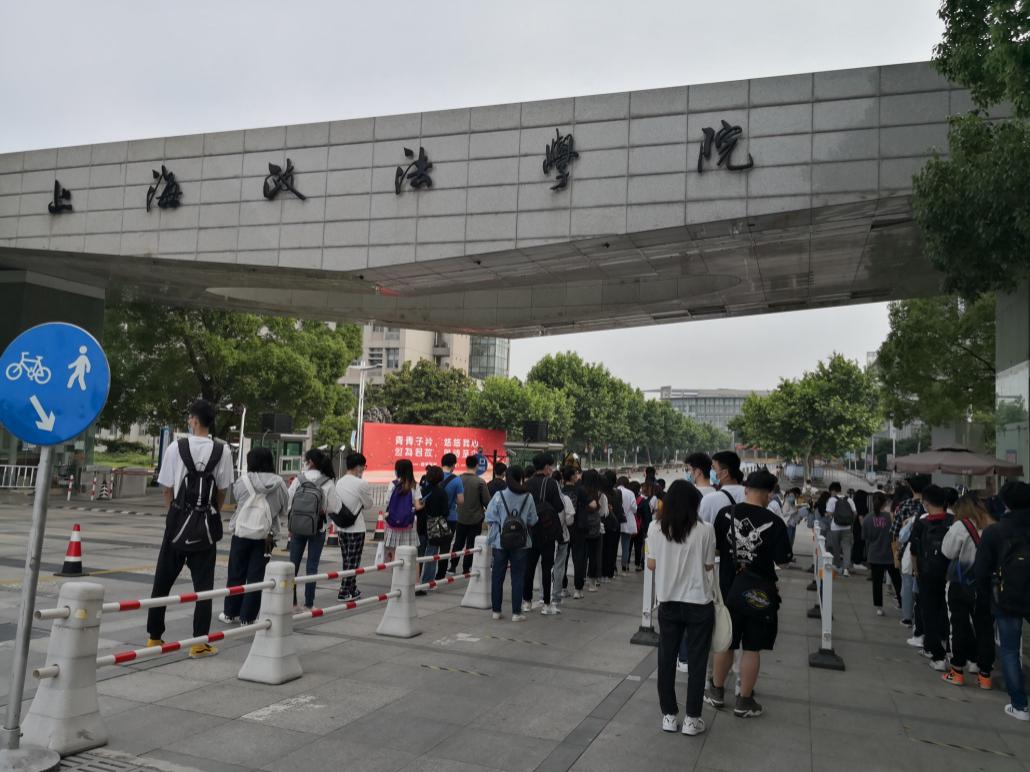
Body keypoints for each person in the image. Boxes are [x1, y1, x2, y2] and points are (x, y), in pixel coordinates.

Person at [146, 399, 235, 657]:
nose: (188, 421)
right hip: (205, 527)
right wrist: (210, 513)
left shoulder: (176, 447)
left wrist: (174, 514)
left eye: (189, 418)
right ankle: (199, 643)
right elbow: (222, 490)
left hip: (177, 524)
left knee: (162, 582)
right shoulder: (223, 451)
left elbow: (166, 488)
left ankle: (154, 637)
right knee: (204, 587)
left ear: (194, 421)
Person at [706, 469, 792, 718]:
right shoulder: (775, 522)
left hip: (729, 590)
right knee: (752, 647)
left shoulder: (725, 514)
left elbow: (717, 550)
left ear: (746, 490)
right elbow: (783, 561)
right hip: (759, 594)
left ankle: (716, 692)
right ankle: (744, 701)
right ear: (769, 493)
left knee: (726, 642)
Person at [648, 480, 716, 736]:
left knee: (666, 658)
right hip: (699, 602)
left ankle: (668, 715)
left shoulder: (655, 527)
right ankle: (692, 719)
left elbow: (652, 564)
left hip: (668, 601)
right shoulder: (705, 529)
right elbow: (709, 566)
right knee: (697, 661)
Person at [974, 481, 1030, 721]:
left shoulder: (995, 531)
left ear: (1005, 503)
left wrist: (985, 597)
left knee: (1009, 650)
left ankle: (1020, 705)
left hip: (1006, 596)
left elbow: (981, 570)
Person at [221, 447, 288, 625]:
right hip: (267, 536)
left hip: (241, 532)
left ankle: (230, 613)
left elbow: (238, 499)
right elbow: (284, 509)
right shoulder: (280, 484)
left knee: (236, 573)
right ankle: (248, 617)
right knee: (257, 576)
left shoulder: (243, 481)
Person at [941, 492, 994, 689]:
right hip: (985, 586)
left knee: (959, 626)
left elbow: (948, 552)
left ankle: (957, 671)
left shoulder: (960, 526)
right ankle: (985, 675)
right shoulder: (992, 525)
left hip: (961, 584)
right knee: (985, 629)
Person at [287, 449, 342, 611]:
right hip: (318, 528)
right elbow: (335, 507)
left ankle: (292, 602)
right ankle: (309, 604)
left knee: (293, 566)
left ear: (310, 462)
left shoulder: (299, 480)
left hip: (297, 527)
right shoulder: (328, 482)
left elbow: (289, 502)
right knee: (312, 566)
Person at [909, 484, 954, 671]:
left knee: (929, 614)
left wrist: (915, 571)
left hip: (927, 575)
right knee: (949, 613)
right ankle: (955, 651)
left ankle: (937, 655)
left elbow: (913, 550)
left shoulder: (921, 522)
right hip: (950, 575)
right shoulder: (953, 521)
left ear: (926, 502)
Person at [485, 466, 538, 621]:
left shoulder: (498, 496)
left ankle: (496, 611)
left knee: (497, 576)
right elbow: (533, 520)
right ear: (521, 477)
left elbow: (489, 517)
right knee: (518, 577)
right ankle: (516, 613)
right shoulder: (528, 497)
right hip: (521, 543)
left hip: (500, 542)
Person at [524, 453, 565, 613]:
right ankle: (546, 604)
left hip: (530, 530)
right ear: (547, 467)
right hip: (547, 531)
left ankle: (527, 602)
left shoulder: (527, 484)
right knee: (547, 567)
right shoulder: (551, 483)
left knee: (529, 566)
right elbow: (559, 507)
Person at [335, 452, 372, 601]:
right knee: (353, 561)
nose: (363, 469)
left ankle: (352, 588)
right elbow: (369, 505)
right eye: (363, 466)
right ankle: (344, 591)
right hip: (356, 528)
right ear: (358, 467)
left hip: (341, 527)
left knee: (347, 560)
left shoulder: (339, 482)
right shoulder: (361, 483)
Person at [862, 491, 901, 616]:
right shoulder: (890, 517)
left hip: (874, 555)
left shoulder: (867, 518)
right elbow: (896, 534)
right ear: (885, 503)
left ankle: (879, 607)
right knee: (897, 580)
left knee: (877, 582)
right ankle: (903, 603)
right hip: (889, 554)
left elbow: (865, 537)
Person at [451, 455, 491, 575]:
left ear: (466, 464)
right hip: (476, 518)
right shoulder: (480, 482)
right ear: (477, 466)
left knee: (458, 542)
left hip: (460, 517)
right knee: (471, 544)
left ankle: (452, 566)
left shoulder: (458, 479)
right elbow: (487, 501)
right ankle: (466, 568)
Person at [419, 465, 452, 594]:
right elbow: (445, 511)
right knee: (432, 554)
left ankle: (416, 580)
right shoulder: (441, 492)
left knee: (420, 553)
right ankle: (427, 582)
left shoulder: (422, 490)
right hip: (435, 525)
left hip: (421, 524)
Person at [383, 459, 422, 563]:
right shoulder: (415, 485)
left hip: (393, 522)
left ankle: (395, 572)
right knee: (410, 554)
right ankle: (409, 572)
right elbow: (418, 506)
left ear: (397, 471)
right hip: (409, 523)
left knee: (394, 552)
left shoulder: (393, 484)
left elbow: (387, 502)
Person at [435, 453, 466, 580]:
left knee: (432, 546)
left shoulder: (434, 475)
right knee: (445, 546)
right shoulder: (457, 480)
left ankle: (426, 574)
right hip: (450, 517)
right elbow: (461, 500)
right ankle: (440, 575)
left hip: (434, 516)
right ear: (453, 465)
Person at [571, 469, 601, 598]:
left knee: (581, 556)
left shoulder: (579, 490)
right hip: (594, 527)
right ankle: (592, 582)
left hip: (581, 526)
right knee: (593, 555)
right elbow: (600, 509)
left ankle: (580, 582)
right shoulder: (598, 493)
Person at [555, 465, 581, 603]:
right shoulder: (579, 491)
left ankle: (562, 588)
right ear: (571, 477)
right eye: (575, 474)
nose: (577, 476)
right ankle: (577, 589)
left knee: (561, 561)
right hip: (574, 529)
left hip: (560, 531)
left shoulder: (560, 492)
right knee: (577, 558)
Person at [699, 451, 745, 524]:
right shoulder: (750, 495)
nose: (711, 471)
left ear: (725, 473)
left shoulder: (709, 499)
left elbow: (702, 527)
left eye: (713, 468)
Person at [825, 482, 856, 576]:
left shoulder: (832, 500)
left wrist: (834, 516)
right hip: (847, 528)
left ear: (833, 491)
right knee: (847, 549)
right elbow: (855, 513)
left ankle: (837, 566)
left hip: (835, 528)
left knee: (836, 548)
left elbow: (829, 513)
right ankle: (845, 569)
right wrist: (850, 522)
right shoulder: (849, 499)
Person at [600, 470, 622, 582]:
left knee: (603, 550)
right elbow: (619, 509)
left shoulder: (601, 494)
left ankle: (602, 573)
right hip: (615, 524)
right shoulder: (618, 493)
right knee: (613, 550)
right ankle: (610, 573)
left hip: (604, 525)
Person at [617, 476, 638, 574]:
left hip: (616, 521)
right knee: (626, 546)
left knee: (613, 546)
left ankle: (613, 567)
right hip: (627, 522)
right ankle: (624, 567)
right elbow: (634, 508)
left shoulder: (614, 491)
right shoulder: (630, 493)